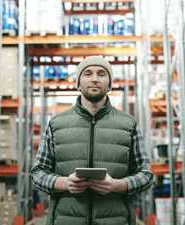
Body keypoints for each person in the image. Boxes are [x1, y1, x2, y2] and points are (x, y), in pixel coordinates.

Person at [31, 56, 153, 225]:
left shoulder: (128, 124)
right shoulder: (56, 124)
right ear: (78, 83)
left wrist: (117, 185)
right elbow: (37, 173)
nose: (95, 79)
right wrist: (65, 183)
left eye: (102, 74)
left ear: (109, 84)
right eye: (88, 73)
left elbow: (146, 174)